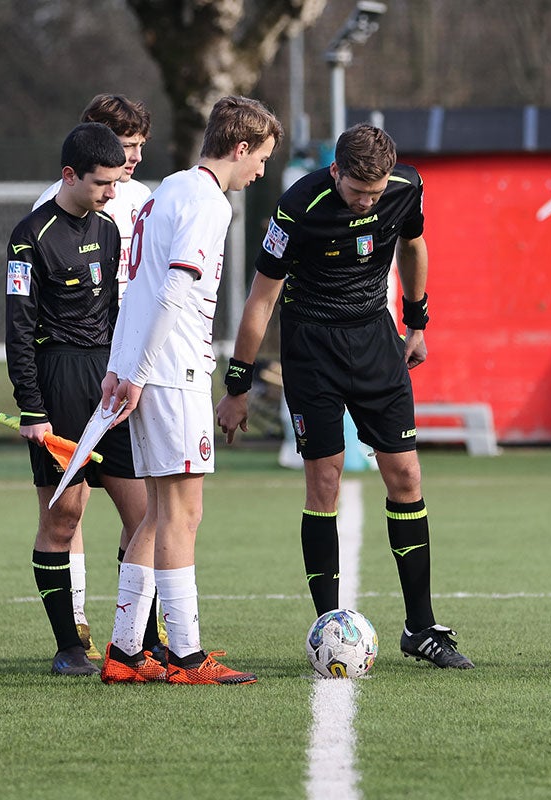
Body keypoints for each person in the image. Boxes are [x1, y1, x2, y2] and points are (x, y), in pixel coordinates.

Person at [214, 122, 474, 670]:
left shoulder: (406, 187)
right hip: (311, 349)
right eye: (357, 192)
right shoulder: (296, 207)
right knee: (324, 480)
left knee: (406, 478)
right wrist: (237, 385)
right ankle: (328, 624)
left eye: (374, 195)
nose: (366, 203)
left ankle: (420, 625)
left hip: (376, 342)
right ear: (335, 172)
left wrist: (417, 322)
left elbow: (414, 244)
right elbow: (261, 300)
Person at [99, 96, 281, 685]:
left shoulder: (166, 190)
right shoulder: (206, 202)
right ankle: (186, 655)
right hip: (173, 372)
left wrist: (122, 365)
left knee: (157, 512)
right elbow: (173, 290)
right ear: (241, 146)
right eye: (262, 159)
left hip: (150, 367)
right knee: (184, 512)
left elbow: (136, 287)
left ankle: (126, 652)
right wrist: (140, 370)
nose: (261, 173)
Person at [6, 122, 145, 676]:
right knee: (63, 518)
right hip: (58, 378)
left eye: (116, 182)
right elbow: (17, 329)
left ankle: (137, 640)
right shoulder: (29, 236)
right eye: (102, 183)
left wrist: (127, 372)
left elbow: (115, 314)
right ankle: (69, 645)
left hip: (107, 379)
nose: (112, 192)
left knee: (145, 516)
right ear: (69, 175)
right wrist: (32, 408)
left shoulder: (110, 230)